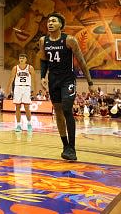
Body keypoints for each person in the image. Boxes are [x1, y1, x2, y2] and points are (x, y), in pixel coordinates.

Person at [39, 12, 93, 161]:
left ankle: (72, 148)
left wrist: (90, 82)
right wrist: (42, 77)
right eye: (48, 21)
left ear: (61, 25)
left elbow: (82, 61)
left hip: (68, 79)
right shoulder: (43, 41)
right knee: (57, 111)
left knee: (67, 109)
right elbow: (43, 60)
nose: (50, 23)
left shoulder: (69, 40)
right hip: (53, 80)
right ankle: (65, 146)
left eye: (53, 21)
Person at [9, 53, 35, 132]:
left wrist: (35, 90)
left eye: (23, 58)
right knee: (17, 107)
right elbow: (11, 79)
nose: (21, 59)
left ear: (26, 59)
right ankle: (18, 125)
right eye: (20, 58)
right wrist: (8, 88)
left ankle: (29, 124)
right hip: (17, 87)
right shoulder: (15, 68)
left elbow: (34, 79)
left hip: (26, 87)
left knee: (27, 107)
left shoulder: (30, 67)